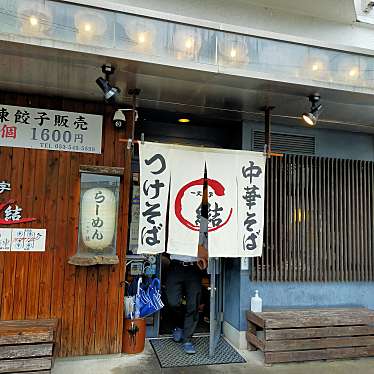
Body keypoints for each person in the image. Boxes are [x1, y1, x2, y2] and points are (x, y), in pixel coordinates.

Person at [165, 182, 209, 355]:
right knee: (172, 301)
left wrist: (205, 258)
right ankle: (179, 325)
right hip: (176, 266)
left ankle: (187, 338)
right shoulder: (176, 218)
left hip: (193, 268)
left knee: (194, 303)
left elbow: (207, 245)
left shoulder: (204, 222)